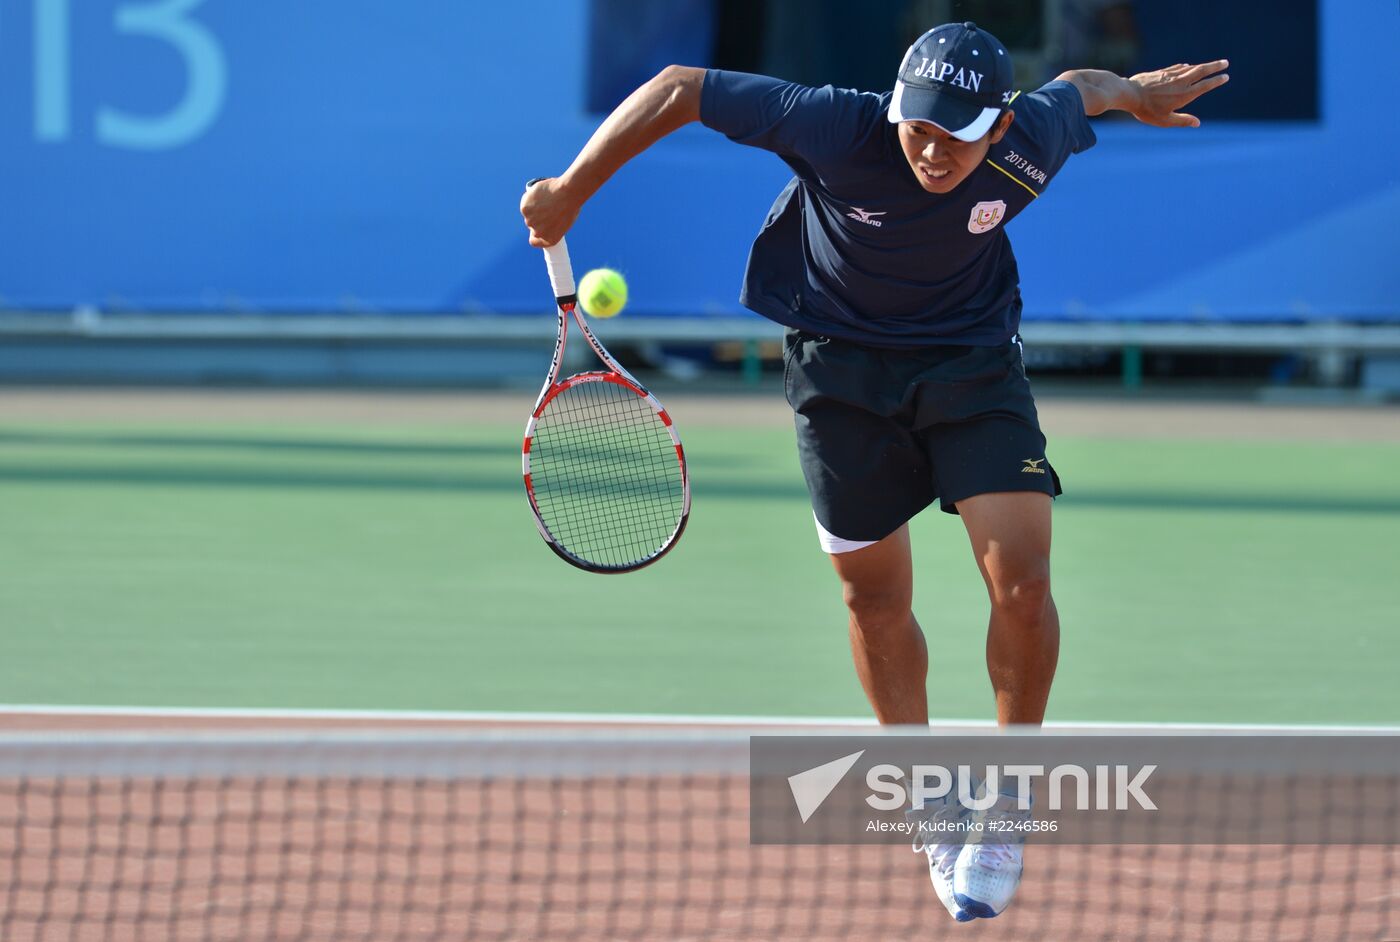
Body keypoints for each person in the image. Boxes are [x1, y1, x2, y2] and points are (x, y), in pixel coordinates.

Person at [521, 21, 1228, 921]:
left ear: (1000, 129)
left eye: (955, 134)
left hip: (972, 366)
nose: (931, 150)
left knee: (1020, 582)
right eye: (918, 127)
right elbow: (677, 87)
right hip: (839, 373)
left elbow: (1079, 87)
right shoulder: (839, 128)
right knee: (872, 596)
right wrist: (574, 191)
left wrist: (1133, 92)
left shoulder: (1033, 141)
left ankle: (1008, 801)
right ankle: (927, 797)